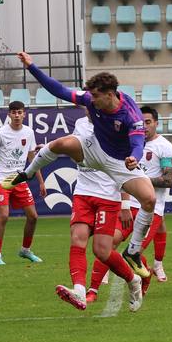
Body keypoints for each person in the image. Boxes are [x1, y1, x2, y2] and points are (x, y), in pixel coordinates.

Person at [5, 51, 155, 278]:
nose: (90, 100)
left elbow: (137, 142)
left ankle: (133, 252)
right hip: (94, 148)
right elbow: (59, 90)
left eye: (96, 96)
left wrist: (134, 157)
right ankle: (26, 173)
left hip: (120, 162)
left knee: (149, 199)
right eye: (90, 95)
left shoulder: (130, 114)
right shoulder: (91, 98)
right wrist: (31, 67)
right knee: (60, 143)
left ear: (110, 95)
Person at [54, 117, 144, 312]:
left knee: (101, 251)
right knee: (77, 239)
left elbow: (122, 168)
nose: (91, 103)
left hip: (107, 196)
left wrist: (125, 203)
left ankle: (133, 279)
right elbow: (73, 145)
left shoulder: (116, 126)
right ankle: (79, 290)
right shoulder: (80, 124)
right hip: (83, 193)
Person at [0, 100, 44, 266]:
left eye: (19, 112)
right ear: (9, 114)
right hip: (2, 180)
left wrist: (41, 182)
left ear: (24, 114)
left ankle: (25, 250)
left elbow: (33, 159)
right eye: (13, 112)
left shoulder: (29, 133)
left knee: (33, 216)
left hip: (19, 180)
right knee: (4, 215)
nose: (17, 115)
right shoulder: (1, 133)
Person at [133, 106, 172, 281]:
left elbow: (168, 180)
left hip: (152, 205)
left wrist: (139, 182)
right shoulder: (132, 143)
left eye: (148, 122)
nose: (144, 126)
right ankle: (158, 264)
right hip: (131, 203)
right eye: (141, 123)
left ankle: (146, 276)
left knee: (136, 249)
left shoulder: (164, 147)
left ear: (156, 123)